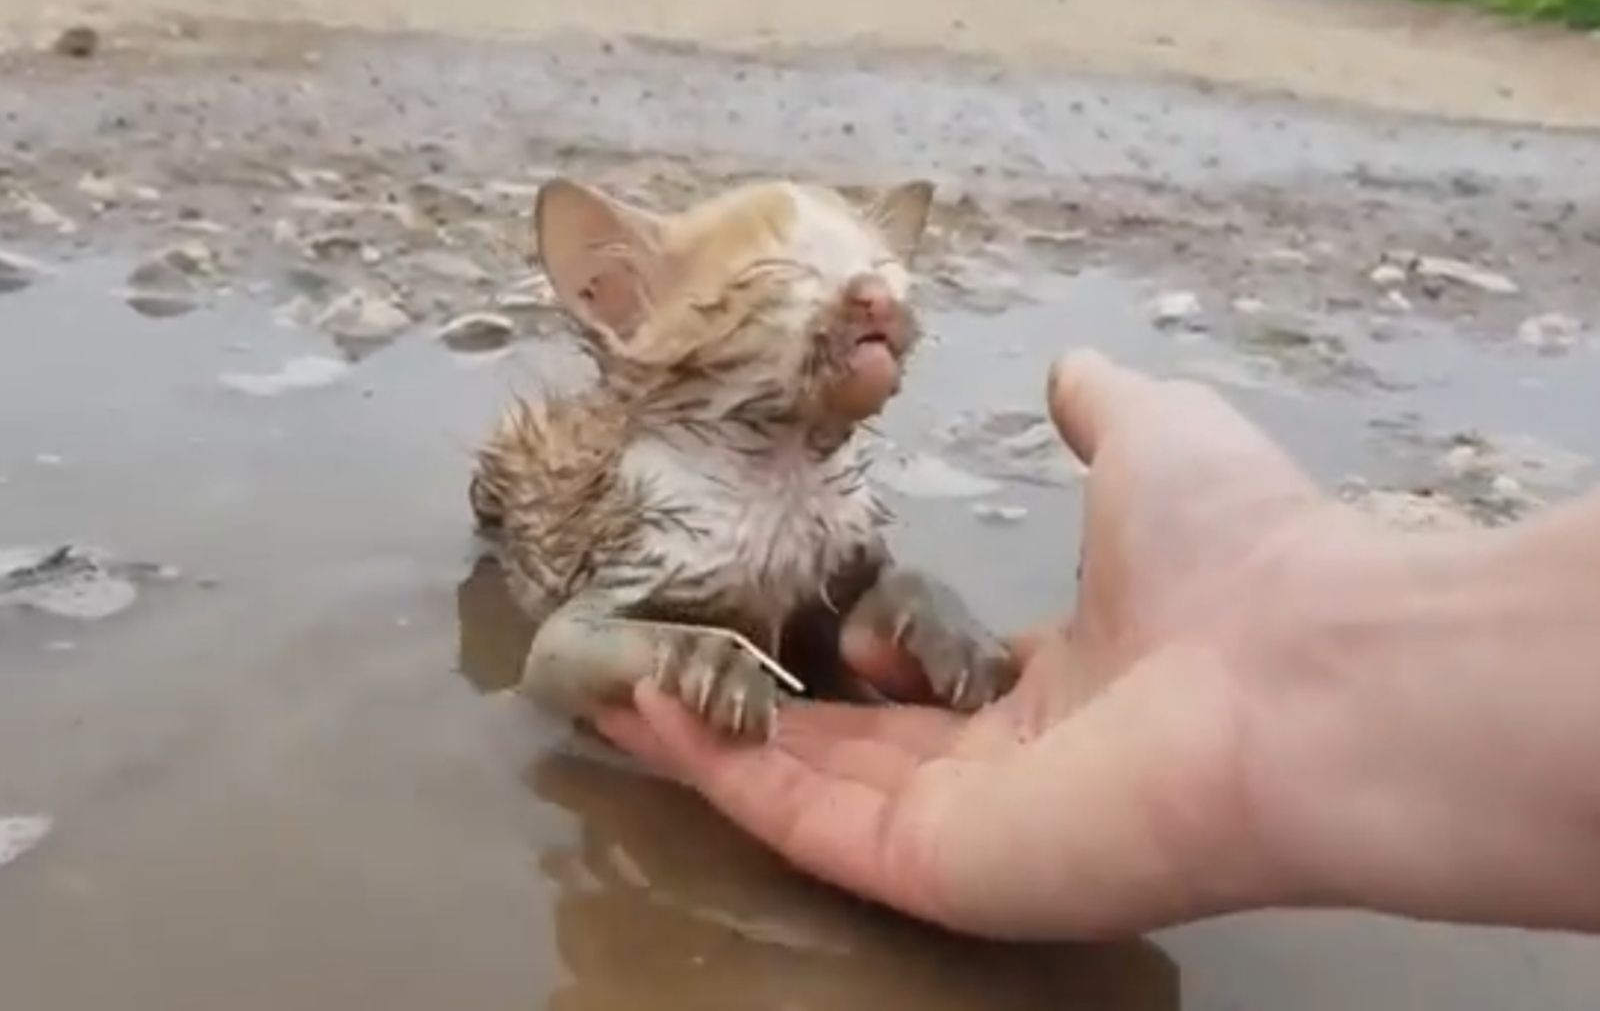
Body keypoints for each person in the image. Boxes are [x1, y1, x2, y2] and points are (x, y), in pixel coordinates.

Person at [595, 349, 1600, 941]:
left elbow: (861, 610)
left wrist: (1283, 646)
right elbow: (568, 652)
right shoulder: (655, 492)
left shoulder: (835, 502)